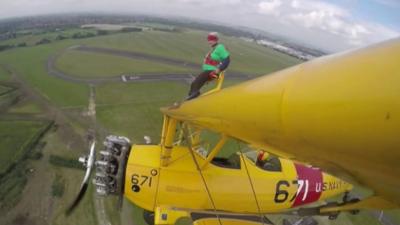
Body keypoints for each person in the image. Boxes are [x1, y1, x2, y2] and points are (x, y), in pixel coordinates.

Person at [187, 32, 230, 100]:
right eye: (209, 39)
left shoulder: (220, 47)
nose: (209, 41)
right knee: (194, 83)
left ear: (216, 40)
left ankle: (193, 96)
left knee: (196, 82)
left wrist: (219, 69)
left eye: (212, 39)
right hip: (209, 71)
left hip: (213, 71)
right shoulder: (214, 49)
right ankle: (191, 98)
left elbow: (227, 60)